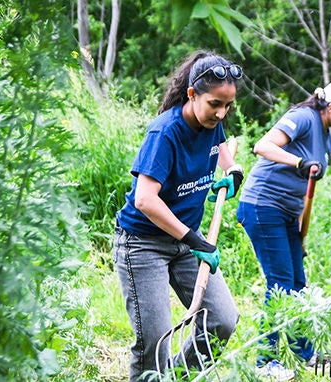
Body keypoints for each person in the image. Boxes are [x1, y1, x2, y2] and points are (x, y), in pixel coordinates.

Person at [112, 51, 245, 382]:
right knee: (154, 344)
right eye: (215, 103)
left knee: (222, 321)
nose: (221, 112)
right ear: (192, 94)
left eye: (228, 106)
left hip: (185, 244)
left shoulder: (212, 123)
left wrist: (232, 169)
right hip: (143, 245)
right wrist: (192, 237)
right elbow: (144, 199)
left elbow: (221, 144)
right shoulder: (165, 133)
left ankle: (178, 377)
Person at [237, 80, 331, 380]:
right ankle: (266, 361)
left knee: (299, 283)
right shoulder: (302, 118)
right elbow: (262, 146)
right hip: (262, 206)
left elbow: (305, 189)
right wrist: (298, 161)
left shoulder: (329, 141)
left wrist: (299, 231)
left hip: (287, 213)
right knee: (280, 282)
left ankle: (303, 353)